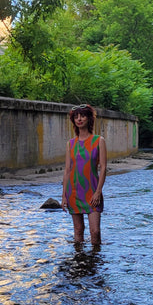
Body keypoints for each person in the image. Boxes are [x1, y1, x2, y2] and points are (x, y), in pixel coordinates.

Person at [62, 104, 107, 246]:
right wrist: (64, 195)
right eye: (76, 117)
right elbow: (67, 170)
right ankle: (80, 262)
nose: (79, 119)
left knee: (95, 232)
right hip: (73, 192)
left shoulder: (99, 141)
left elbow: (104, 167)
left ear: (89, 118)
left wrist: (98, 192)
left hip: (92, 191)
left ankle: (95, 262)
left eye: (82, 116)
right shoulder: (71, 143)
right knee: (78, 231)